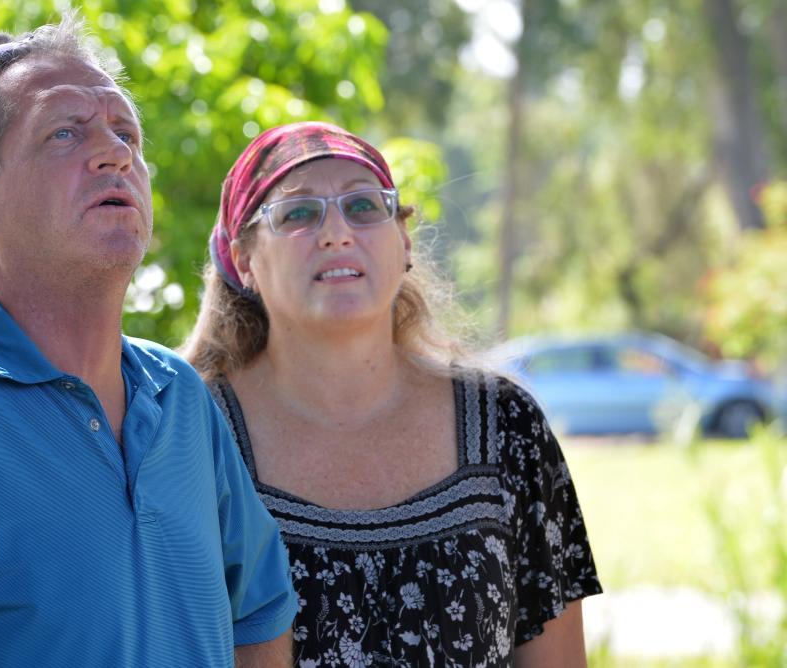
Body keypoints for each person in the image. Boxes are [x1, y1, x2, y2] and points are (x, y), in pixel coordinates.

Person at [0, 14, 297, 666]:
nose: (116, 153)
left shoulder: (182, 399)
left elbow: (259, 617)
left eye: (125, 132)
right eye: (64, 132)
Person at [182, 121, 603, 666]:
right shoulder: (195, 435)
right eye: (298, 213)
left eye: (362, 206)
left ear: (403, 241)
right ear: (244, 261)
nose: (337, 232)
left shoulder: (506, 425)